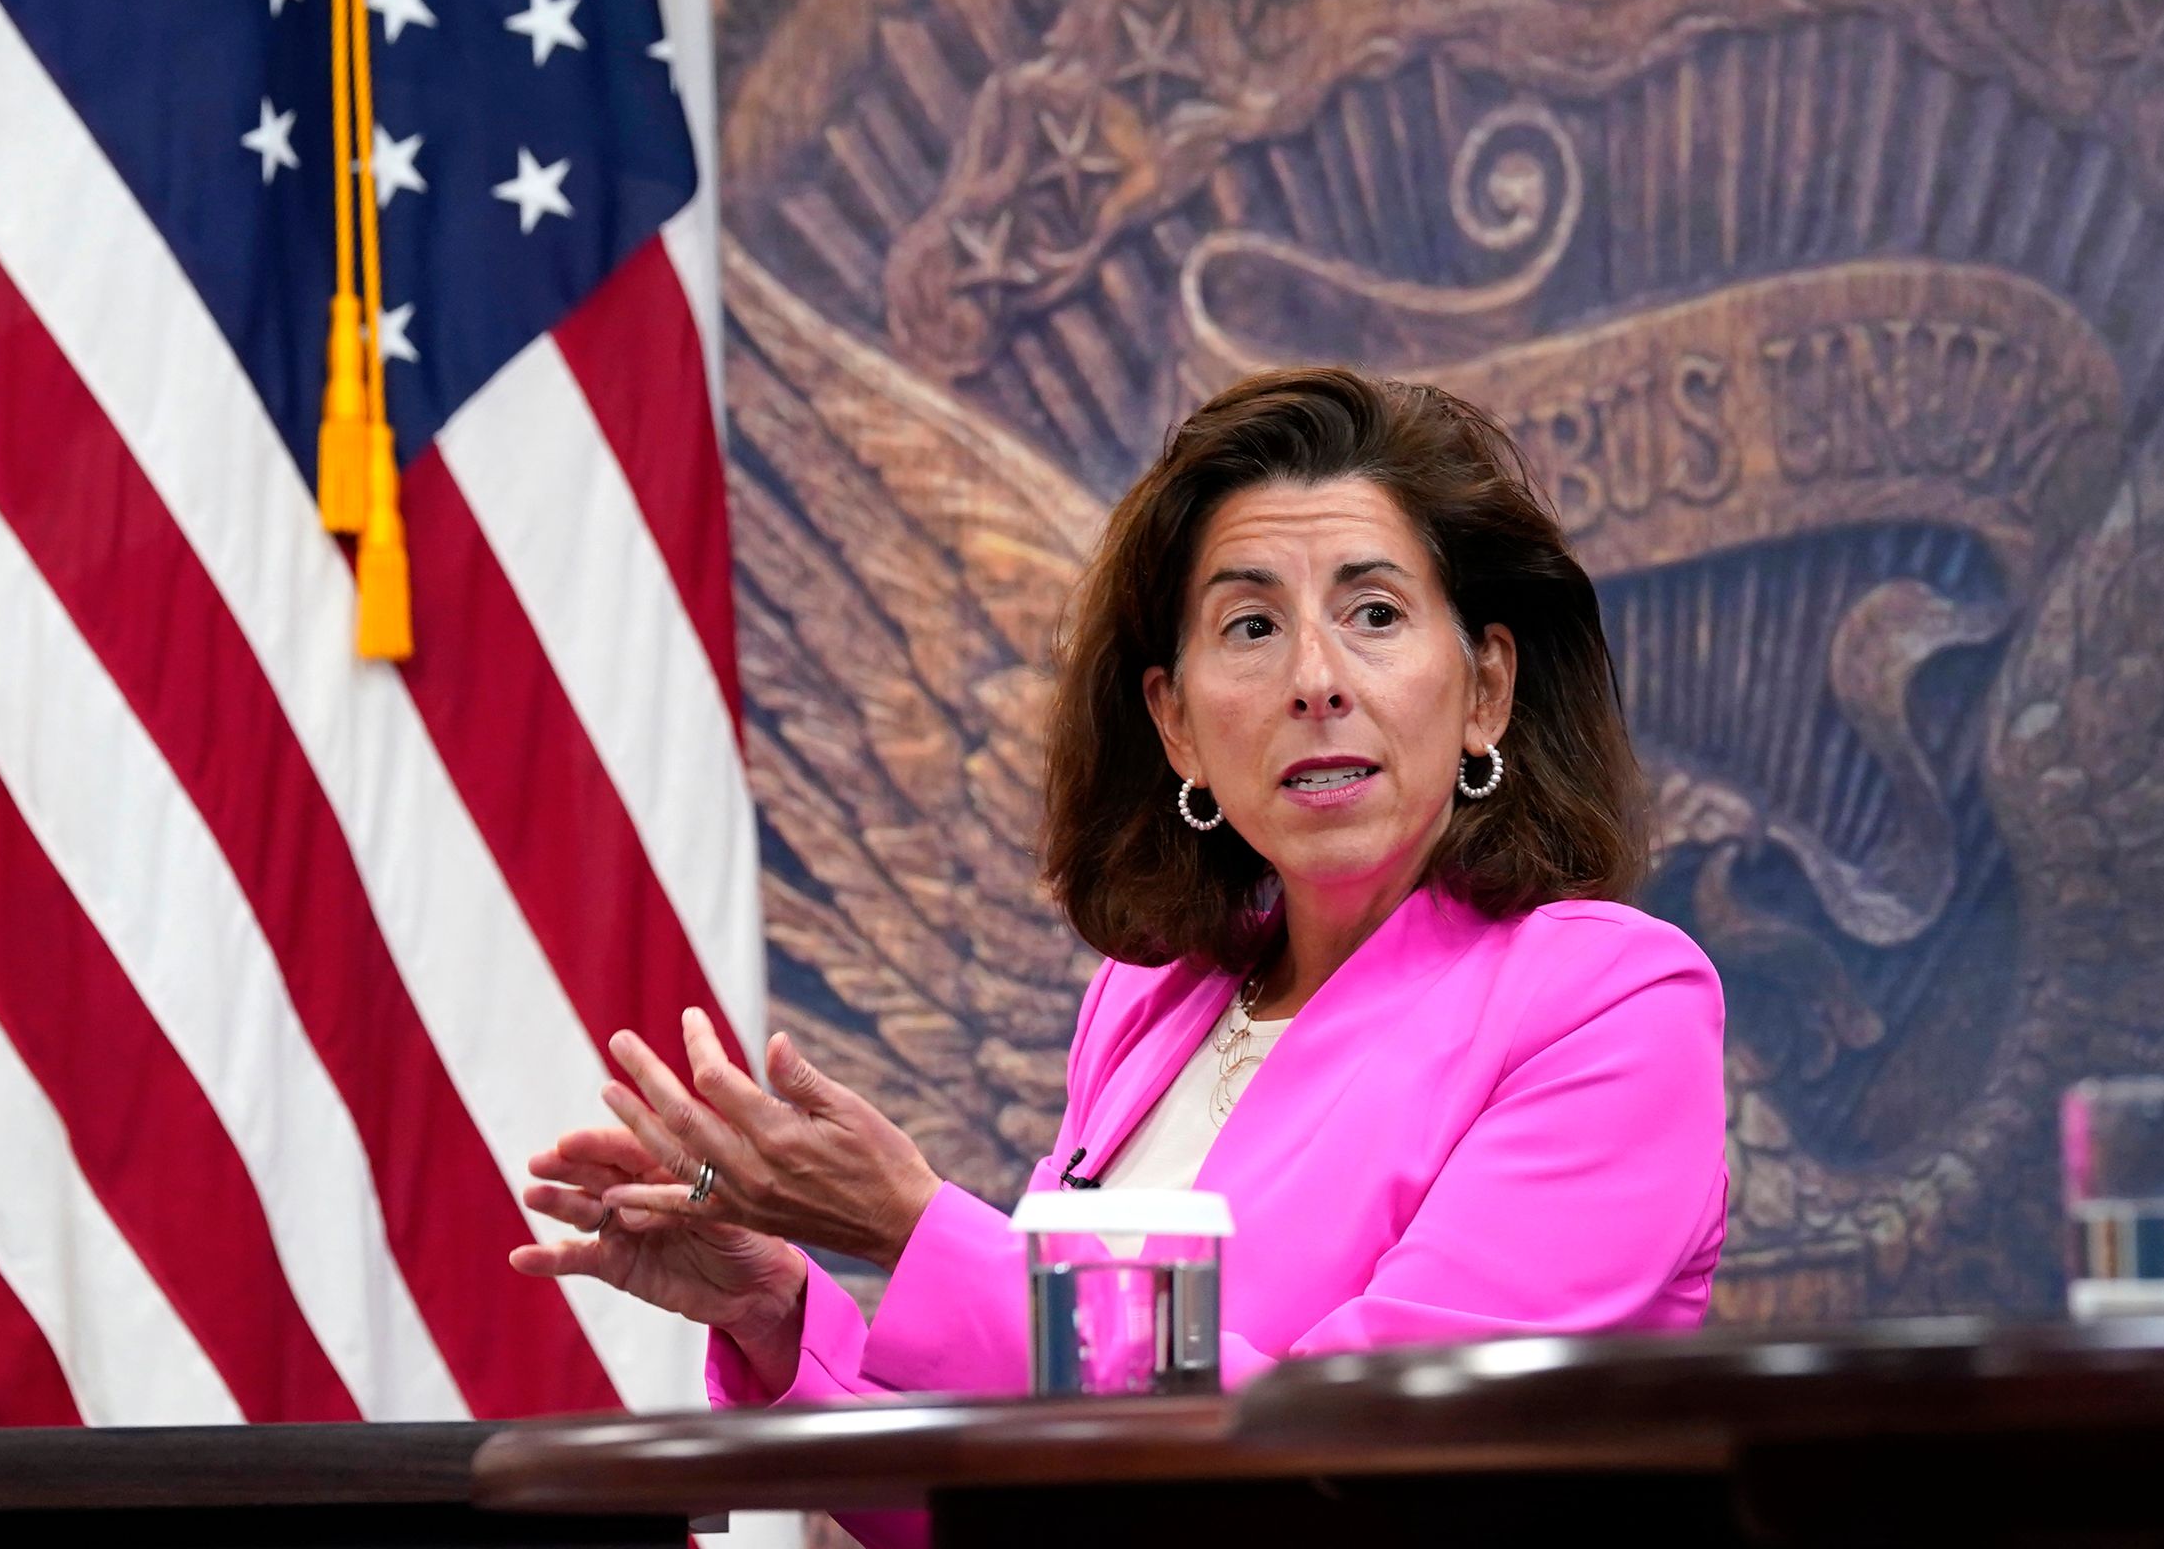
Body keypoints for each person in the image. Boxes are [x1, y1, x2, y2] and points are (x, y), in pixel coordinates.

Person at [506, 365, 1729, 1433]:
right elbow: (1038, 1482)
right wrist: (782, 1317)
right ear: (1177, 722)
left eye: (1374, 613)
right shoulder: (1151, 1005)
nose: (1316, 678)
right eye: (1251, 623)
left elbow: (1373, 1453)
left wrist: (924, 1230)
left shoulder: (1609, 1005)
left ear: (1486, 689)